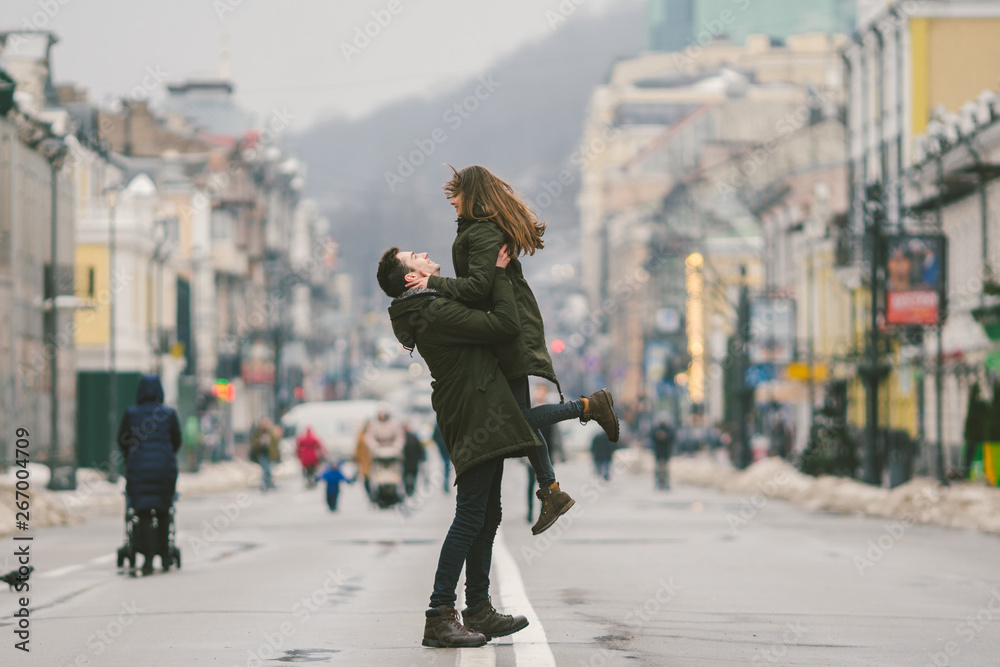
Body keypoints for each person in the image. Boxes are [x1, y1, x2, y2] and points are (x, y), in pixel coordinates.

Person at [378, 244, 619, 648]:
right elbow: (504, 324)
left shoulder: (433, 303)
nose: (422, 252)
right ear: (409, 278)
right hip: (473, 414)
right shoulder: (433, 312)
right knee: (471, 518)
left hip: (478, 407)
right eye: (413, 255)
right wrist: (502, 274)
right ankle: (439, 614)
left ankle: (477, 609)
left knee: (488, 515)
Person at [405, 164, 618, 532]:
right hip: (504, 330)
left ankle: (588, 406)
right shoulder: (478, 231)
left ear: (470, 194)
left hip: (507, 332)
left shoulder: (481, 233)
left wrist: (433, 283)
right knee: (518, 416)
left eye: (455, 195)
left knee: (514, 419)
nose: (452, 202)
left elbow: (477, 288)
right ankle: (551, 489)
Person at [117, 374, 181, 575]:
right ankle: (164, 554)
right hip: (163, 472)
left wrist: (132, 458)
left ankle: (146, 556)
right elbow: (176, 441)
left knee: (142, 511)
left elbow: (122, 440)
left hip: (139, 472)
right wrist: (165, 457)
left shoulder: (132, 414)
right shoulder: (168, 414)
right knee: (163, 511)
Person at [249, 417, 277, 492]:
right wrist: (258, 442)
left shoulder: (271, 433)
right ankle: (265, 484)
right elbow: (253, 442)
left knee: (268, 469)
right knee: (265, 469)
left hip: (269, 454)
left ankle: (267, 483)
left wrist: (275, 454)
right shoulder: (258, 433)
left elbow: (274, 444)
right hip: (262, 453)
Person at [650, 418, 675, 491]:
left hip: (665, 451)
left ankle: (665, 483)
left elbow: (672, 438)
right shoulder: (656, 431)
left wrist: (666, 436)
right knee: (658, 468)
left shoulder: (668, 431)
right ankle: (658, 483)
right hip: (659, 451)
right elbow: (652, 436)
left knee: (665, 469)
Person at [403, 424, 426, 497]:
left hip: (410, 460)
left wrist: (422, 457)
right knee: (409, 475)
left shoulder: (411, 437)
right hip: (409, 461)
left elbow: (420, 449)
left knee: (409, 475)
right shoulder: (404, 437)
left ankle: (410, 489)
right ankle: (409, 489)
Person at [354, 419, 372, 498]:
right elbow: (358, 447)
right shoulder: (361, 435)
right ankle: (369, 494)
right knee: (366, 478)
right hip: (364, 460)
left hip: (373, 460)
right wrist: (357, 458)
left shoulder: (373, 434)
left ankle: (374, 493)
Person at [432, 422, 450, 493]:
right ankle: (446, 481)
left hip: (444, 448)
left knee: (446, 464)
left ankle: (445, 481)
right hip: (447, 448)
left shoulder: (438, 424)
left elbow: (434, 437)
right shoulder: (447, 422)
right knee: (447, 464)